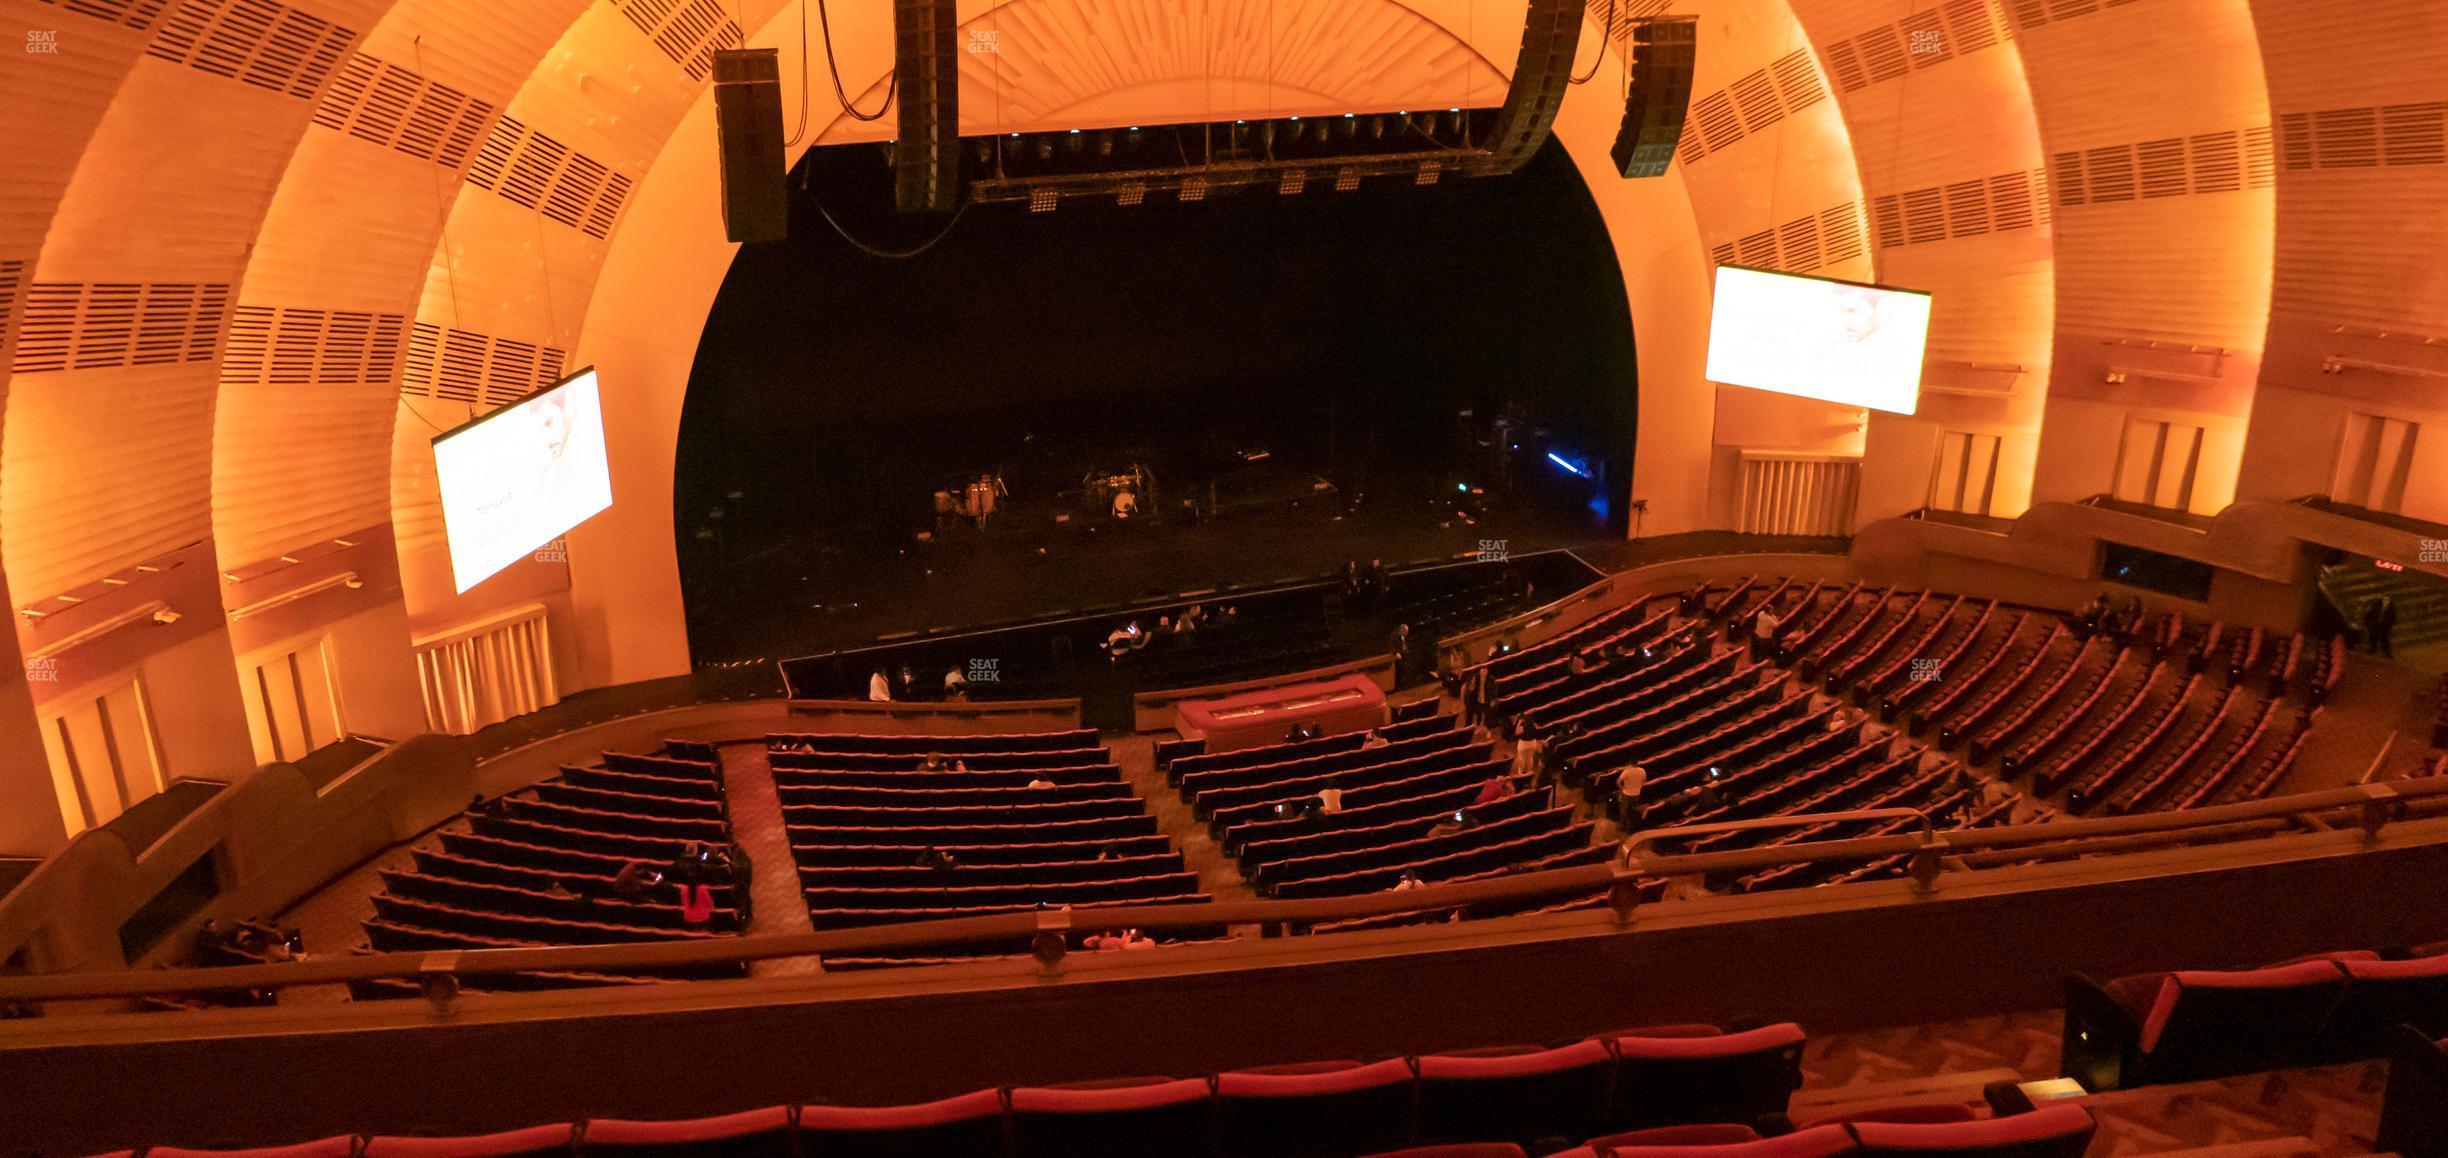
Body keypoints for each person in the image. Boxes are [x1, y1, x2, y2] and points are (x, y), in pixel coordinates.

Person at [1615, 762, 1648, 827]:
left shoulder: (1627, 771)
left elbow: (1618, 781)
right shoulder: (1642, 770)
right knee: (1634, 810)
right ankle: (1632, 825)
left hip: (1626, 794)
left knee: (1624, 809)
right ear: (1637, 763)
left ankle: (1622, 825)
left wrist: (1622, 788)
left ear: (1630, 763)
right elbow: (1644, 781)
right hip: (1637, 794)